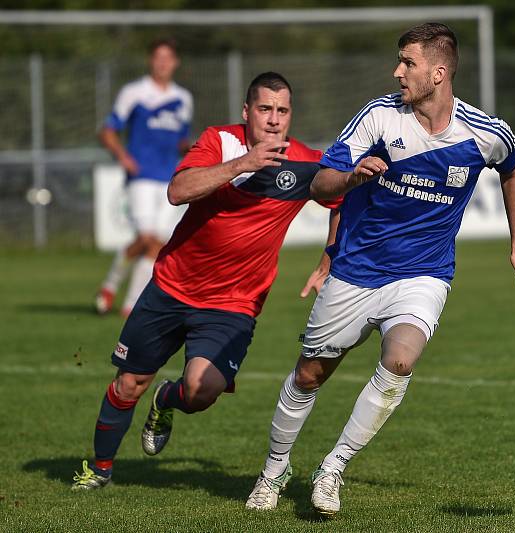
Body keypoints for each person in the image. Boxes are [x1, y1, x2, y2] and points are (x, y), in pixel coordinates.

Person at [245, 23, 515, 515]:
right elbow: (321, 183)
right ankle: (273, 471)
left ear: (439, 71)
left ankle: (332, 469)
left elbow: (512, 169)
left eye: (408, 62)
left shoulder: (484, 133)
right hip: (357, 271)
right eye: (399, 61)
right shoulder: (379, 117)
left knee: (401, 361)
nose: (398, 71)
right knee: (309, 376)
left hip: (424, 272)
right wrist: (350, 176)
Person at [71, 72, 341, 490]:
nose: (273, 119)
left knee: (201, 390)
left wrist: (329, 257)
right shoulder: (219, 141)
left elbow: (341, 198)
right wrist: (241, 165)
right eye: (265, 109)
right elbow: (177, 190)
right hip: (172, 287)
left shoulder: (306, 161)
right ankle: (100, 470)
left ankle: (166, 399)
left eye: (282, 111)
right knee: (128, 383)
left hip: (234, 304)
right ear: (246, 112)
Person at [95, 38, 193, 317]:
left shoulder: (183, 98)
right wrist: (123, 157)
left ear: (175, 63)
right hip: (141, 177)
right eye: (158, 57)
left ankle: (129, 304)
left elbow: (181, 139)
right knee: (147, 238)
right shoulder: (134, 92)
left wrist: (191, 150)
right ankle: (113, 286)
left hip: (170, 180)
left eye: (168, 58)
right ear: (151, 61)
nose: (163, 63)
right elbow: (108, 130)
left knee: (156, 243)